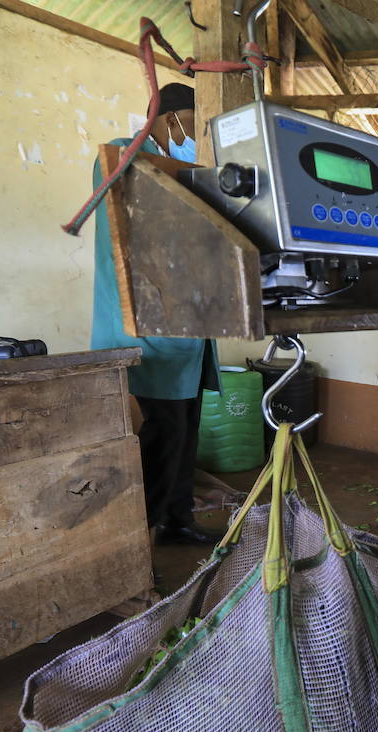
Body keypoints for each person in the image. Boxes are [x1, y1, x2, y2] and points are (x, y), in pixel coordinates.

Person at [91, 83, 220, 545]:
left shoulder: (181, 169)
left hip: (186, 336)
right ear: (169, 120)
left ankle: (177, 520)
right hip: (146, 333)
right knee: (158, 439)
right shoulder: (127, 156)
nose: (194, 138)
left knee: (184, 437)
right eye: (192, 126)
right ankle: (135, 541)